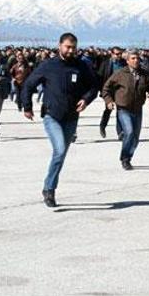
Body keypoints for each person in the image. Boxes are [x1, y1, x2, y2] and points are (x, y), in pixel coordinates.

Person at [22, 33, 98, 208]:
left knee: (60, 154)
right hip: (52, 116)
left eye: (73, 47)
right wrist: (27, 106)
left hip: (71, 117)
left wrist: (86, 99)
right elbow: (29, 84)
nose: (71, 50)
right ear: (60, 46)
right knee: (60, 149)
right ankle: (49, 189)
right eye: (67, 47)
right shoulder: (48, 65)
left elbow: (94, 86)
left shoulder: (82, 66)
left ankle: (49, 187)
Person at [102, 49, 149, 170]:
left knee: (135, 139)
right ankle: (125, 158)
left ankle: (129, 155)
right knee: (129, 132)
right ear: (127, 60)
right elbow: (106, 88)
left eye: (137, 58)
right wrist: (109, 101)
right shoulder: (120, 74)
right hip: (123, 108)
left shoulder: (144, 74)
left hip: (137, 109)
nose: (136, 61)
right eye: (133, 58)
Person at [97, 47, 125, 139]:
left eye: (120, 54)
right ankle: (102, 125)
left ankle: (120, 132)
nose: (118, 56)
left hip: (120, 91)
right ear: (112, 54)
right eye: (116, 54)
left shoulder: (124, 63)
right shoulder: (106, 64)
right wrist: (102, 92)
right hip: (109, 91)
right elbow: (100, 78)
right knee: (109, 110)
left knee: (120, 111)